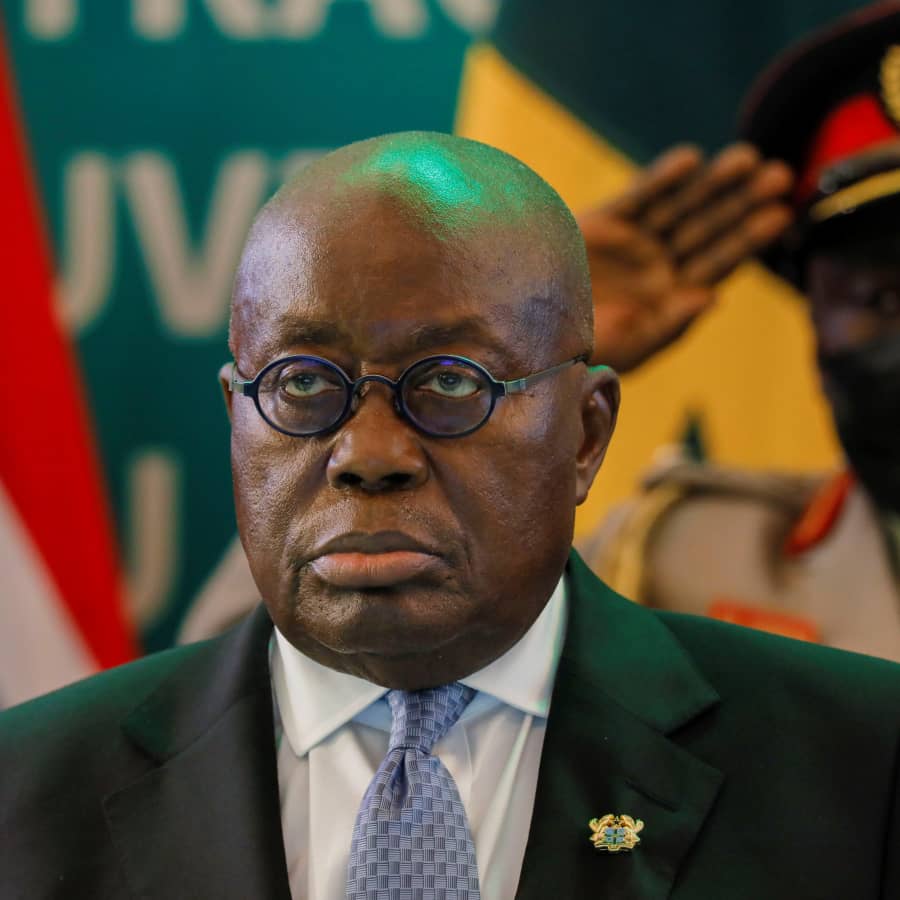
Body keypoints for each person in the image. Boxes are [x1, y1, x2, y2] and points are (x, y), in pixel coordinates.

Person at [2, 131, 899, 899]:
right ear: (235, 417)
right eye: (303, 383)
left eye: (450, 382)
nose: (368, 454)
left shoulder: (860, 769)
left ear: (586, 436)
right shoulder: (26, 792)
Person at [581, 2, 900, 660]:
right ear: (813, 317)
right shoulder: (681, 568)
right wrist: (516, 350)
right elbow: (420, 676)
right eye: (884, 296)